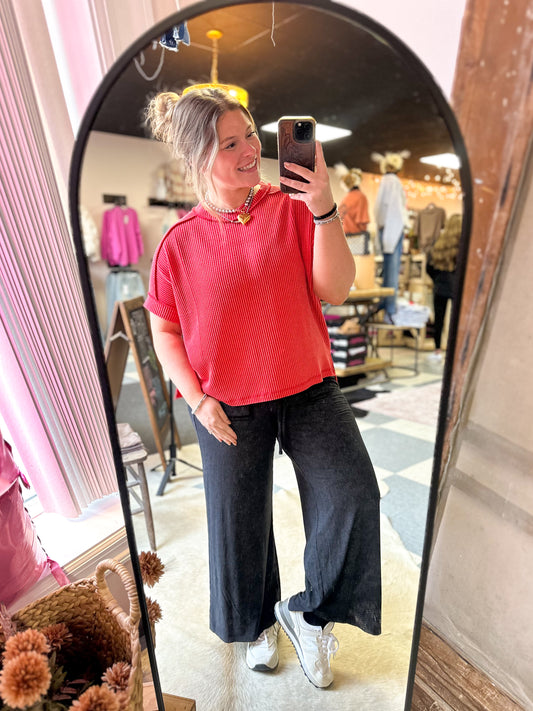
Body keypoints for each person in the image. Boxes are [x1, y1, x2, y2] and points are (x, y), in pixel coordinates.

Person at [144, 87, 381, 689]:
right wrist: (198, 399)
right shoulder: (179, 243)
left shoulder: (292, 207)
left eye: (250, 133)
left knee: (353, 494)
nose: (250, 149)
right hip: (226, 404)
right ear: (199, 159)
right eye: (230, 144)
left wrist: (323, 206)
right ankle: (256, 623)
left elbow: (335, 290)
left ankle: (309, 613)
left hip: (309, 388)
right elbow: (164, 329)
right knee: (238, 522)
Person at [372, 150, 411, 323]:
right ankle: (390, 310)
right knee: (392, 273)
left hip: (386, 229)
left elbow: (379, 209)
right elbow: (397, 209)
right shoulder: (394, 182)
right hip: (393, 229)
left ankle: (386, 306)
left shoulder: (384, 181)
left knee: (388, 272)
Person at [426, 213, 462, 360]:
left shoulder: (438, 244)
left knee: (438, 320)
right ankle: (453, 350)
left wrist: (437, 279)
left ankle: (437, 350)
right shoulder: (462, 246)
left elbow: (429, 267)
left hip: (440, 286)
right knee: (456, 321)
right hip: (456, 288)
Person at [337, 166, 370, 255]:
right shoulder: (361, 197)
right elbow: (362, 221)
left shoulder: (346, 198)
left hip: (343, 239)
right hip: (355, 240)